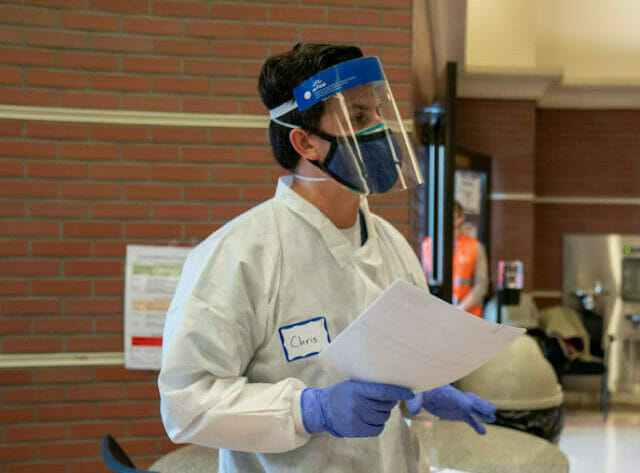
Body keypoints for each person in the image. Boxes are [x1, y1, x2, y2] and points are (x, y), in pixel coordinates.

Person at [158, 43, 496, 473]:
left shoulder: (391, 245)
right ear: (305, 142)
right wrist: (309, 409)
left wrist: (421, 392)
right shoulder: (239, 256)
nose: (380, 129)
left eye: (377, 112)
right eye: (359, 117)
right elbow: (187, 403)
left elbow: (397, 366)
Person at [421, 201, 489, 317]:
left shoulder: (475, 247)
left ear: (461, 218)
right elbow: (423, 282)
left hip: (468, 315)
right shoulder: (428, 244)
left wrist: (459, 311)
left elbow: (481, 286)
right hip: (437, 313)